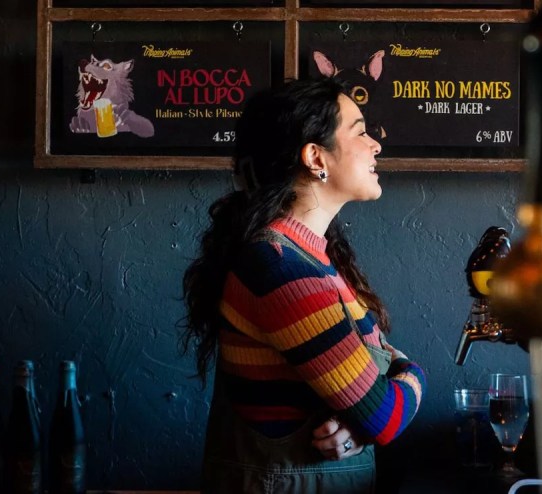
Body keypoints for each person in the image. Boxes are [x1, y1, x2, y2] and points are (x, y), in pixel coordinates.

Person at [181, 77, 426, 494]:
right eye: (360, 130)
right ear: (316, 157)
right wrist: (410, 378)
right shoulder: (282, 270)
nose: (376, 144)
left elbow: (381, 399)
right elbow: (384, 417)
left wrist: (383, 400)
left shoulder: (311, 258)